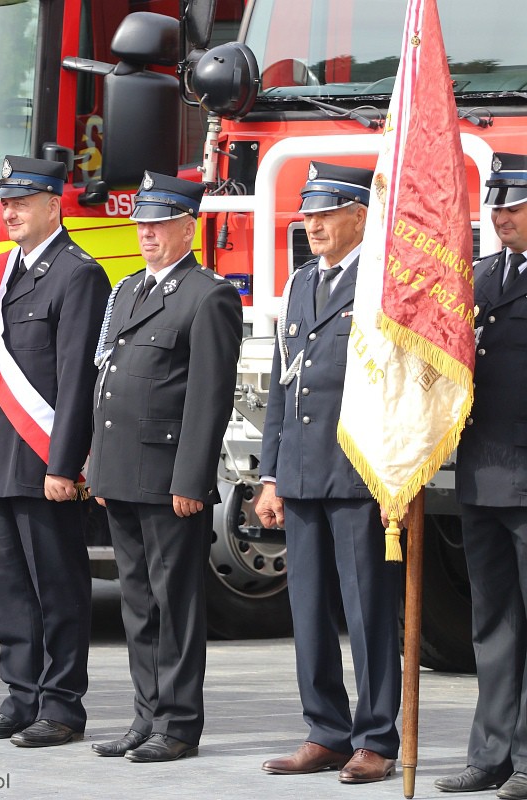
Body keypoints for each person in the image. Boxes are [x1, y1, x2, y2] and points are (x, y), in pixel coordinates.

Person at [0, 155, 109, 748]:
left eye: (23, 202)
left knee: (57, 587)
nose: (10, 211)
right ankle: (20, 696)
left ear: (54, 205)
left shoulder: (78, 274)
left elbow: (75, 380)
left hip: (44, 460)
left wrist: (63, 464)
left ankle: (61, 705)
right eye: (7, 202)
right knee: (10, 588)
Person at [88, 172, 241, 763]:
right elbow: (108, 382)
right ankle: (145, 715)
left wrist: (191, 480)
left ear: (187, 226)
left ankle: (177, 725)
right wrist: (99, 466)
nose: (147, 233)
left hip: (168, 478)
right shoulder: (128, 290)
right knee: (137, 601)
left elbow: (208, 397)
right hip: (122, 472)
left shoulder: (209, 296)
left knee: (175, 603)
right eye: (142, 224)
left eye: (159, 224)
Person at [255, 162, 401, 783]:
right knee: (308, 609)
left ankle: (376, 737)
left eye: (323, 212)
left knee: (368, 609)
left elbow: (400, 386)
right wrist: (269, 475)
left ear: (358, 216)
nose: (310, 223)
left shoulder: (382, 283)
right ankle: (326, 730)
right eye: (306, 213)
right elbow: (284, 389)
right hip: (302, 473)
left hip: (358, 472)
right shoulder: (302, 282)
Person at [437, 151, 527, 798]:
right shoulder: (478, 276)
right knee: (491, 624)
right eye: (496, 205)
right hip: (484, 473)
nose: (502, 217)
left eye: (515, 205)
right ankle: (492, 753)